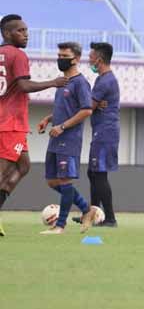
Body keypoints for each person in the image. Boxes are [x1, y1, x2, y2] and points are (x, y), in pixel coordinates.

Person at [0, 14, 68, 236]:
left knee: (23, 166)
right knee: (3, 172)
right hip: (10, 122)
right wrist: (53, 82)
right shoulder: (17, 54)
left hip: (9, 120)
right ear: (7, 33)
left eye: (26, 30)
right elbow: (23, 85)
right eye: (20, 30)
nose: (26, 34)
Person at [37, 42, 96, 234]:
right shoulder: (62, 82)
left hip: (68, 139)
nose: (60, 59)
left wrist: (62, 127)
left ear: (76, 59)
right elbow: (66, 109)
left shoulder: (80, 83)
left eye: (64, 56)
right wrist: (48, 119)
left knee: (64, 181)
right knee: (52, 181)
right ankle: (87, 210)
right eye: (59, 56)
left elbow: (86, 110)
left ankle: (60, 225)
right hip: (55, 137)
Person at [74, 42, 120, 227]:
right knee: (93, 173)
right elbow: (93, 103)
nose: (89, 61)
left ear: (99, 60)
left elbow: (88, 106)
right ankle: (92, 215)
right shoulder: (103, 79)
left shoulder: (106, 80)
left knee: (99, 174)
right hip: (102, 131)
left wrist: (89, 102)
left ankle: (109, 218)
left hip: (105, 133)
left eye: (91, 58)